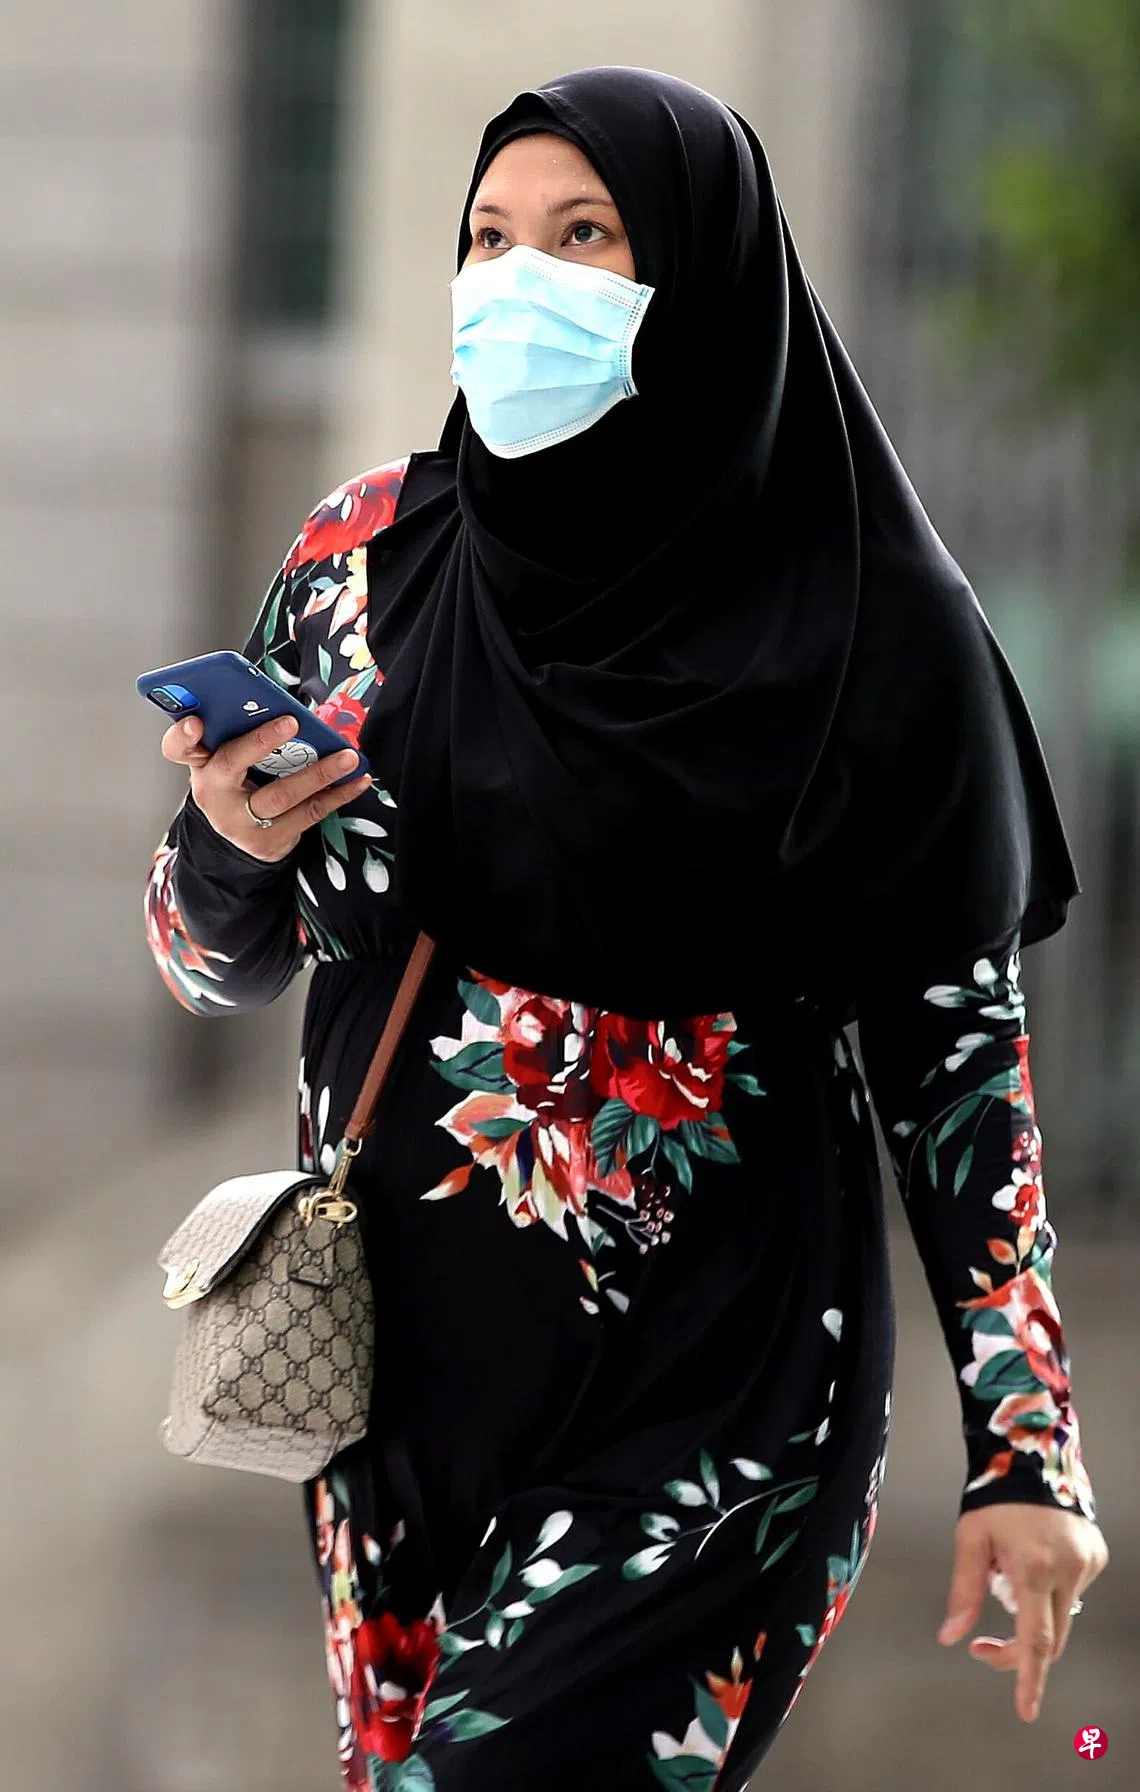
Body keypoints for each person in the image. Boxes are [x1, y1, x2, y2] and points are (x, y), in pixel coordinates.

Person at [145, 66, 1107, 1792]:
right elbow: (209, 965)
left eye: (585, 236)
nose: (521, 281)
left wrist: (1026, 1453)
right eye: (489, 238)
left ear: (701, 271)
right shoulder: (364, 563)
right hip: (384, 1391)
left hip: (721, 1404)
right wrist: (223, 848)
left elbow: (961, 1075)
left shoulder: (873, 627)